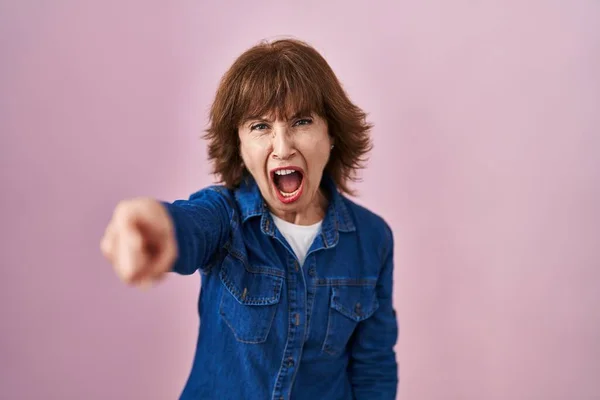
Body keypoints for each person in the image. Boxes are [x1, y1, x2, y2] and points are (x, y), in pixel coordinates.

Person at [100, 38, 398, 400]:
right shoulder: (223, 218)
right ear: (240, 146)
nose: (283, 146)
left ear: (331, 133)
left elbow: (373, 367)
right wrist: (156, 225)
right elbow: (188, 226)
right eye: (260, 126)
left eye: (301, 121)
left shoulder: (372, 239)